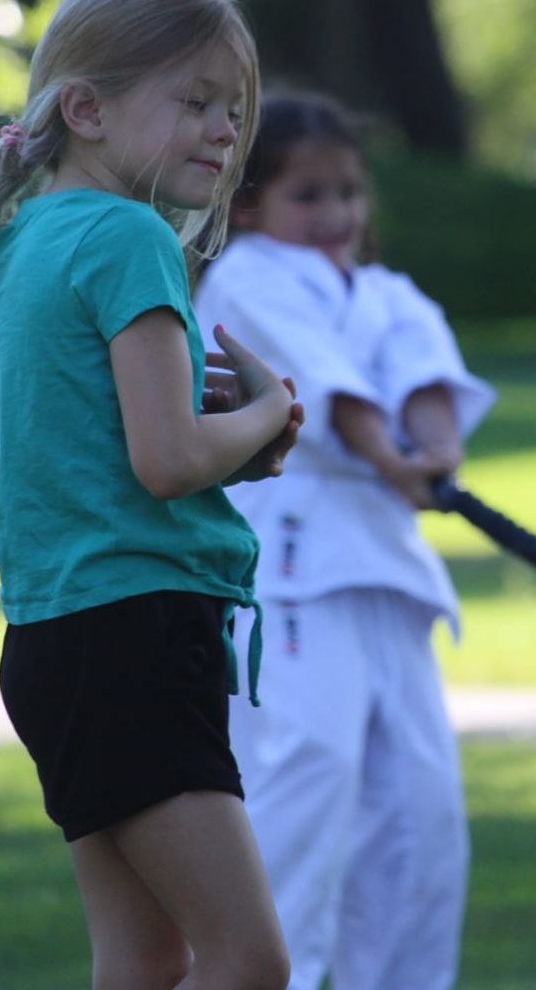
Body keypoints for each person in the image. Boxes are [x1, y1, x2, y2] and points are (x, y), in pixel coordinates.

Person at [0, 0, 303, 990]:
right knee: (247, 957)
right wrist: (266, 414)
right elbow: (166, 461)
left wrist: (239, 449)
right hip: (134, 635)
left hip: (60, 638)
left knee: (144, 956)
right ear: (86, 108)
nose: (224, 129)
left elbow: (105, 456)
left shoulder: (30, 236)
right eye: (197, 101)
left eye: (233, 108)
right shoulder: (127, 235)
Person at [193, 92, 494, 990]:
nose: (338, 218)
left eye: (350, 196)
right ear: (248, 207)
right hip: (289, 565)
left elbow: (424, 382)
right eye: (310, 197)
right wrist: (393, 462)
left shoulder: (389, 294)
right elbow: (324, 397)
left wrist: (436, 454)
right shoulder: (244, 280)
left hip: (387, 568)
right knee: (305, 775)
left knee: (420, 808)